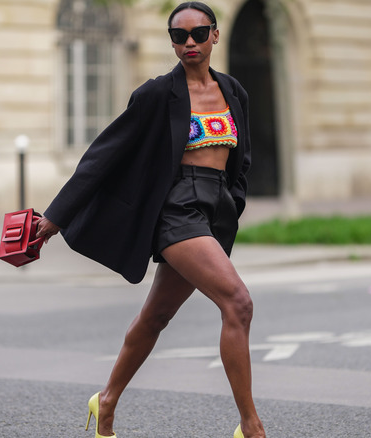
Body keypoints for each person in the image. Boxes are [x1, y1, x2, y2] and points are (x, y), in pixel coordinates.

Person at [35, 2, 266, 437]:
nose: (190, 43)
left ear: (215, 35)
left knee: (155, 317)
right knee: (238, 303)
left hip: (214, 211)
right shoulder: (158, 94)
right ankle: (250, 428)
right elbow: (105, 154)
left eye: (199, 33)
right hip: (177, 210)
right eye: (179, 36)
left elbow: (243, 158)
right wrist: (55, 218)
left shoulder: (234, 91)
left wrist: (233, 202)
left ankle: (105, 400)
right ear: (172, 42)